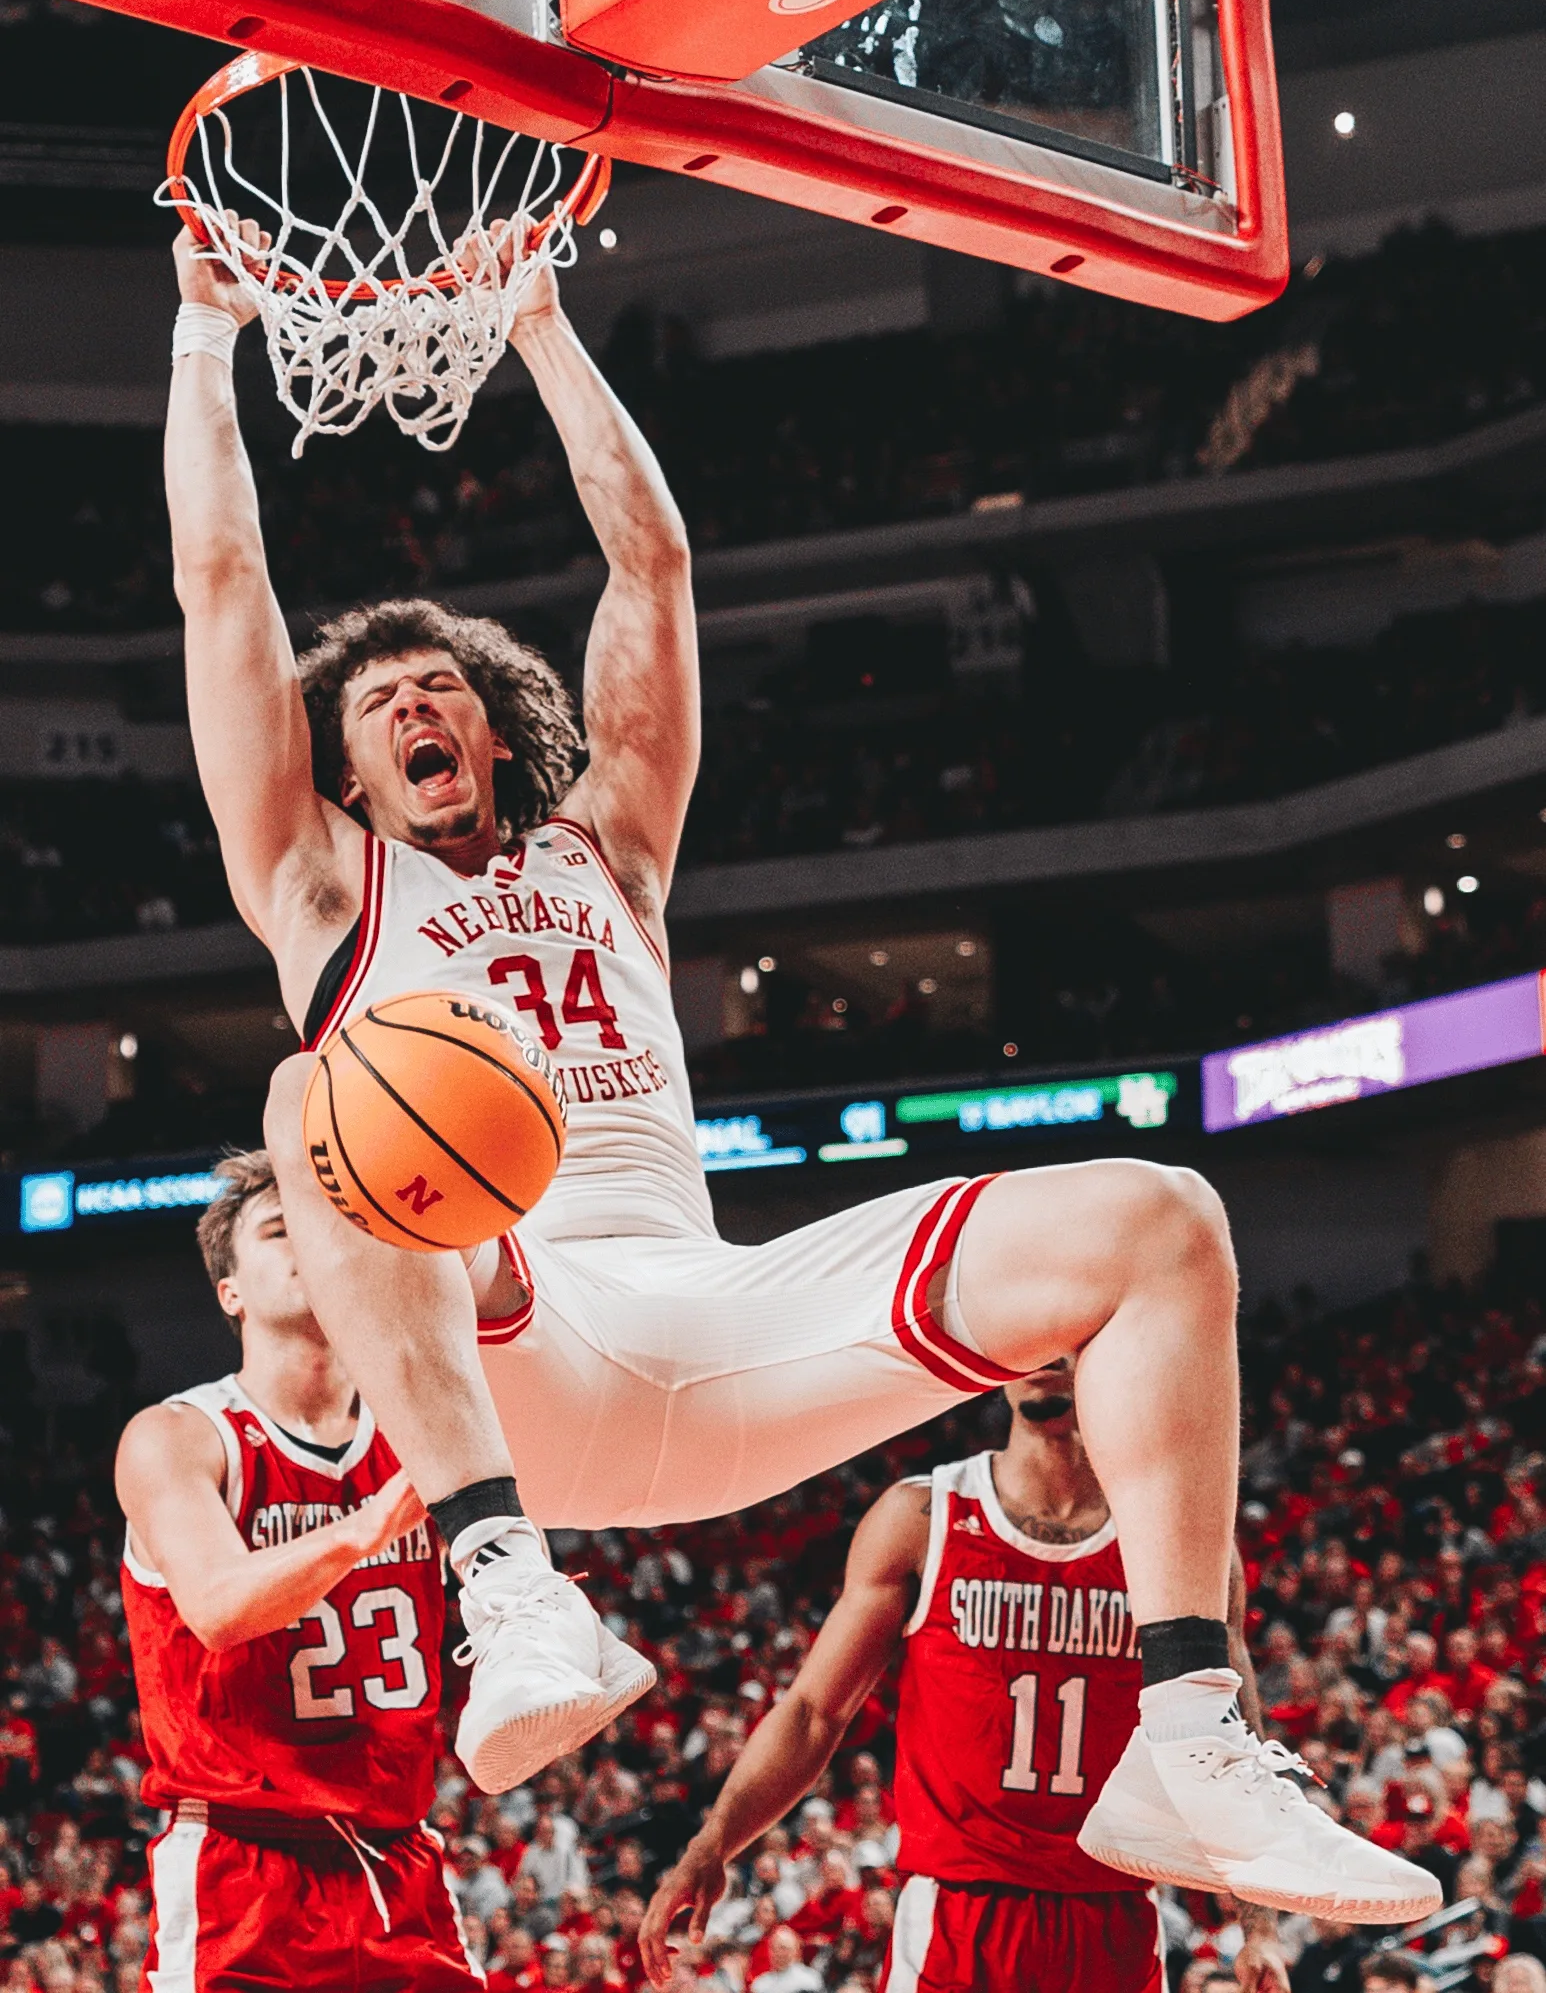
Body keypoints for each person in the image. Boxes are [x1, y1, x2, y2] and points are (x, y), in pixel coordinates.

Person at [166, 217, 1437, 1916]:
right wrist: (200, 346)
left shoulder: (611, 849)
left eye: (446, 681)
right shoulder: (327, 891)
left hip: (719, 1326)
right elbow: (224, 592)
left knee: (1163, 1218)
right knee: (317, 1100)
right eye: (385, 693)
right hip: (512, 1346)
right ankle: (504, 1586)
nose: (422, 700)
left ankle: (1189, 1738)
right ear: (348, 762)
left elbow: (655, 576)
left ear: (488, 721)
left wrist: (541, 325)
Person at [641, 1363, 1291, 1993]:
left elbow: (1225, 1732)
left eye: (1071, 1335)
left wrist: (1258, 1925)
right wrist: (714, 1840)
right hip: (957, 1914)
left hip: (1110, 1912)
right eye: (1031, 1332)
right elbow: (815, 1711)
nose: (1045, 1353)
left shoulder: (1176, 1529)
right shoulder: (923, 1516)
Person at [114, 1151, 482, 1991]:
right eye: (282, 1230)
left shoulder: (418, 1424)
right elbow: (217, 1605)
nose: (311, 1246)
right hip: (243, 1868)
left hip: (400, 1860)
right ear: (229, 1290)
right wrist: (371, 1522)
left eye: (330, 1230)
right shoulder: (178, 1437)